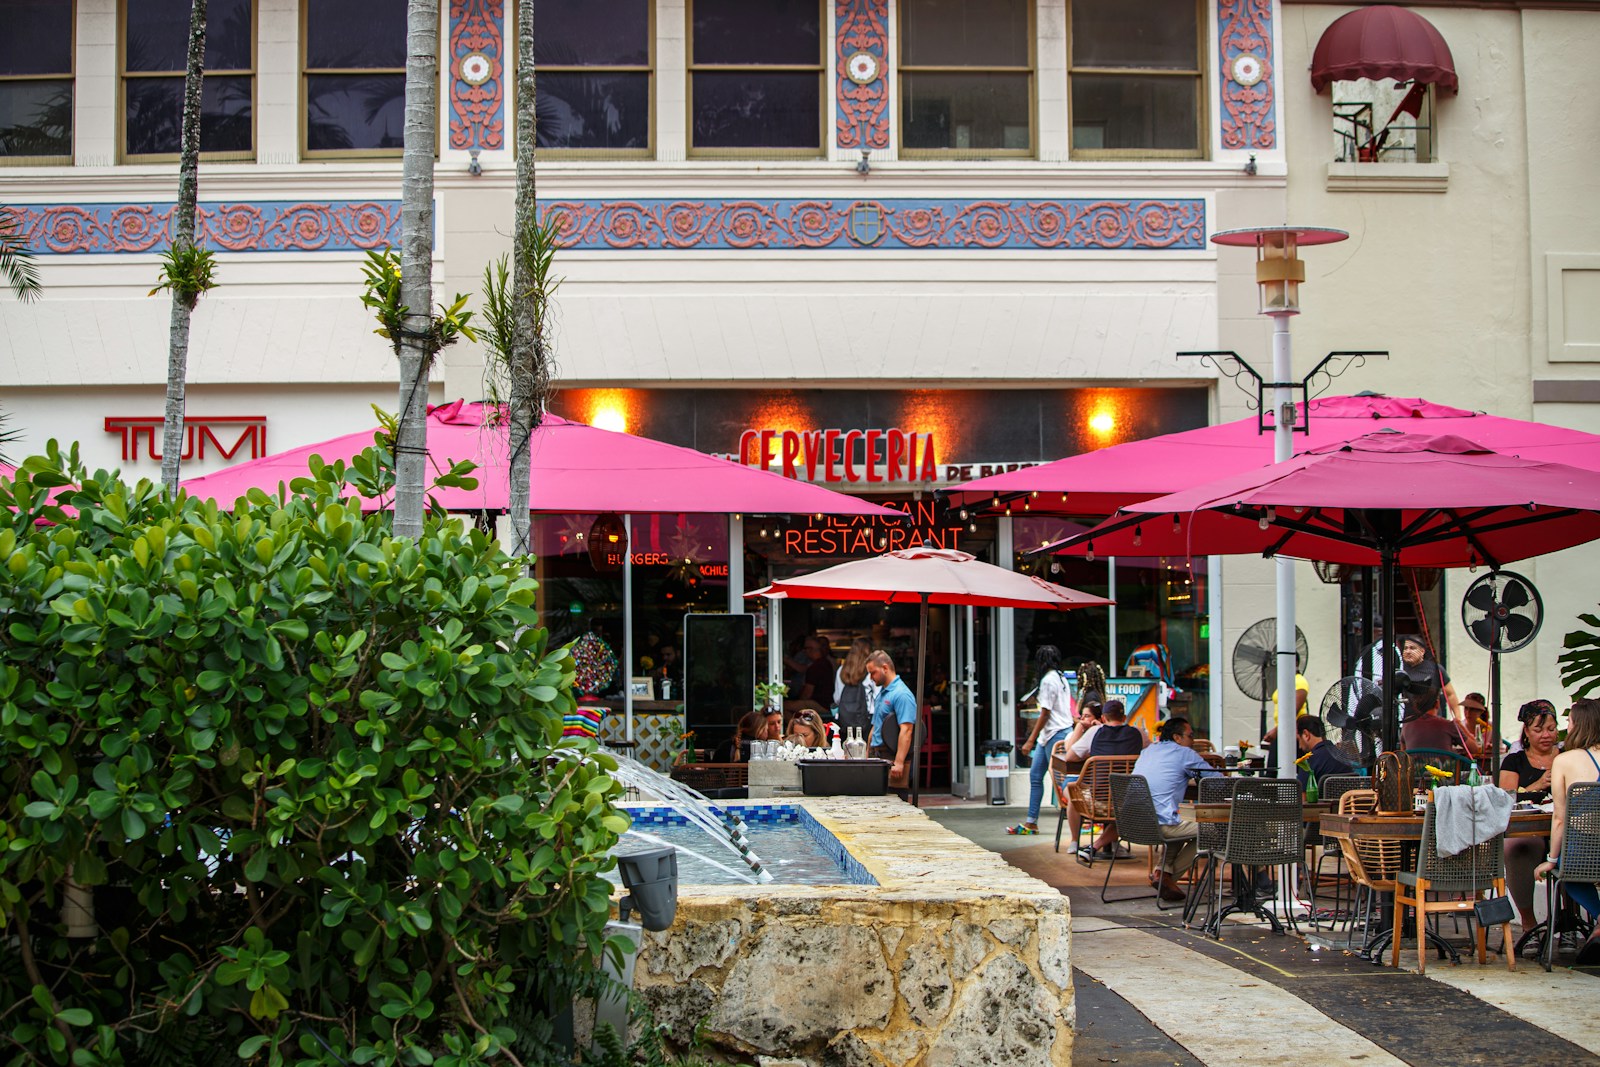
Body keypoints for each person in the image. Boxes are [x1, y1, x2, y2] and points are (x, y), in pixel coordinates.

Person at [1535, 698, 1600, 965]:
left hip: (1583, 850)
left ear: (1579, 725)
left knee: (1570, 875)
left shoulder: (1564, 760)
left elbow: (1560, 819)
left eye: (1569, 722)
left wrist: (1550, 860)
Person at [1132, 717, 1222, 901]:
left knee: (1177, 819)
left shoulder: (1148, 751)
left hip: (1134, 822)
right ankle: (1168, 879)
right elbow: (1218, 782)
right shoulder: (1184, 754)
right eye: (1190, 735)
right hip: (1160, 824)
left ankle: (1161, 873)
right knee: (1215, 829)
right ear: (1177, 737)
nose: (1193, 740)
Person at [1501, 703, 1561, 933]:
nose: (1546, 735)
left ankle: (1567, 921)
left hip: (1564, 827)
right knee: (1515, 847)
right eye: (1539, 730)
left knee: (1577, 849)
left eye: (1551, 729)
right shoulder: (1514, 761)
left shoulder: (1567, 757)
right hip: (1530, 829)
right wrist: (1539, 784)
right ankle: (1528, 922)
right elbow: (1506, 799)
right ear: (1526, 731)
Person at [1008, 646, 1075, 836]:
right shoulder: (1061, 678)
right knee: (1037, 776)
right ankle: (1031, 822)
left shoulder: (1047, 681)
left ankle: (1081, 818)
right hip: (1052, 734)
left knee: (1061, 780)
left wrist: (1030, 741)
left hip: (1055, 734)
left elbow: (1045, 714)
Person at [1397, 635, 1474, 755]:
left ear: (1422, 651)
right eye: (1405, 648)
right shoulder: (1400, 672)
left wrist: (1458, 718)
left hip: (1434, 722)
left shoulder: (1435, 669)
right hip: (1410, 724)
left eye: (1412, 648)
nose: (1407, 651)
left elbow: (1450, 694)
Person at [867, 650, 919, 790]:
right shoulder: (883, 693)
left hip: (892, 755)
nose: (871, 678)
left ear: (885, 668)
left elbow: (907, 730)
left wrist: (899, 762)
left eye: (873, 673)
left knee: (895, 802)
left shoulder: (902, 694)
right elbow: (876, 725)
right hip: (879, 755)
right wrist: (867, 753)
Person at [1295, 714, 1352, 785]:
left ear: (1306, 734)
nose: (1300, 746)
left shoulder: (1308, 762)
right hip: (1348, 796)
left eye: (1299, 739)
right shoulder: (1344, 756)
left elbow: (1302, 795)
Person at [834, 637, 874, 734]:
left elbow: (837, 698)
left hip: (844, 721)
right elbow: (875, 698)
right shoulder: (870, 671)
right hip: (867, 721)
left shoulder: (841, 670)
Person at [798, 634, 836, 705]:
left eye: (805, 648)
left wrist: (798, 701)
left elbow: (807, 694)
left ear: (810, 649)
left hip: (819, 703)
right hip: (827, 703)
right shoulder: (826, 663)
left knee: (785, 706)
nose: (804, 652)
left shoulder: (815, 667)